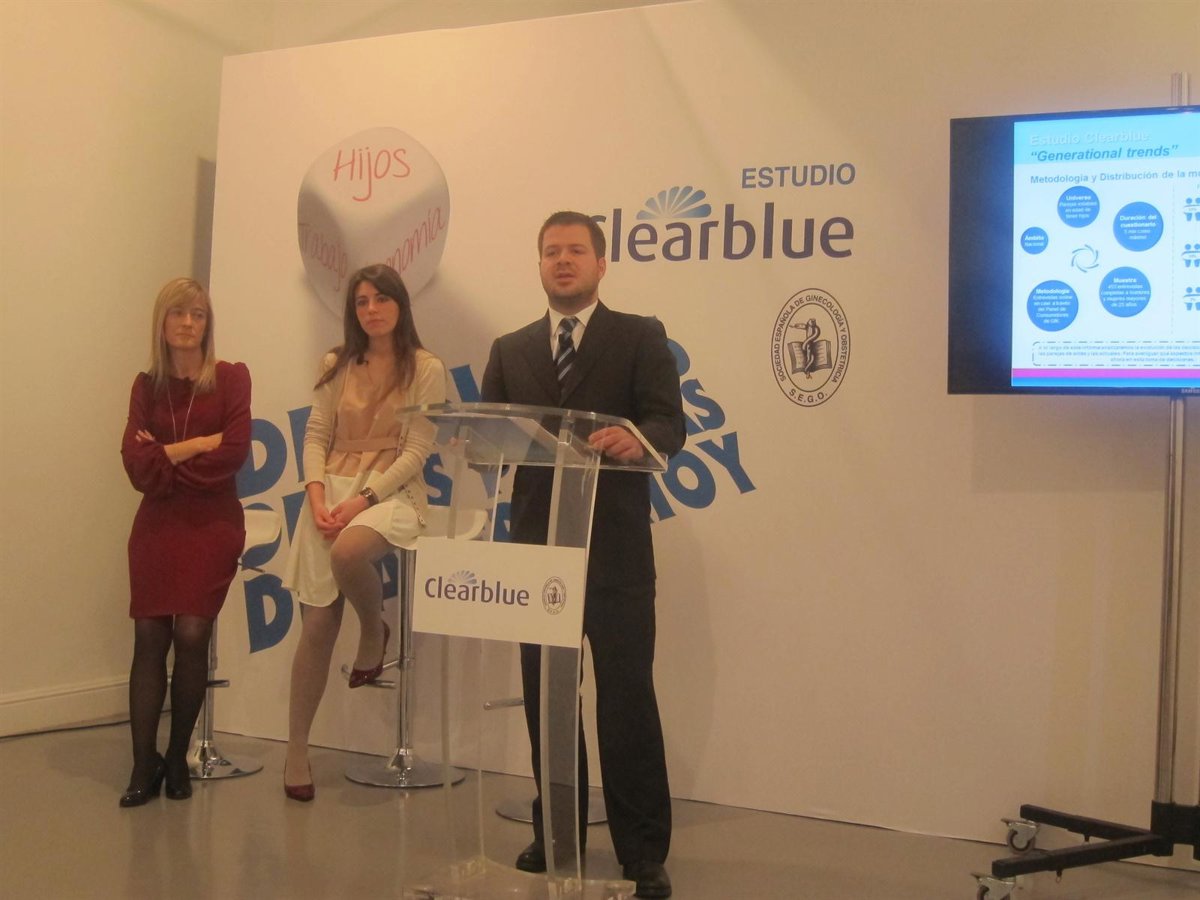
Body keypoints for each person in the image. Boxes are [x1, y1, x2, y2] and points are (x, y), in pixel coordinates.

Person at [481, 211, 685, 899]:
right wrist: (477, 446)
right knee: (547, 699)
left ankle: (643, 851)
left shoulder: (639, 336)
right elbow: (487, 434)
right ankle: (556, 833)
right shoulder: (509, 349)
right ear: (539, 265)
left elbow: (669, 421)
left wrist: (639, 439)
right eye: (551, 252)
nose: (562, 261)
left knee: (626, 699)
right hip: (536, 551)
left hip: (616, 552)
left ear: (601, 264)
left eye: (575, 250)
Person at [282, 263, 446, 801]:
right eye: (361, 301)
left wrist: (363, 499)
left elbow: (417, 451)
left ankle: (373, 631)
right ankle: (297, 752)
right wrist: (316, 495)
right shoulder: (337, 363)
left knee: (349, 553)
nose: (372, 309)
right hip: (329, 490)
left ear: (401, 304)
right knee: (316, 626)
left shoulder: (425, 367)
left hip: (391, 491)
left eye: (381, 299)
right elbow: (316, 433)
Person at [119, 277, 252, 807]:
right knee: (150, 635)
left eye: (198, 314)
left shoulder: (231, 378)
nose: (188, 323)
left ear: (207, 323)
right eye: (178, 313)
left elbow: (233, 455)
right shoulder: (145, 386)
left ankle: (177, 758)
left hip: (213, 522)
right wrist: (195, 445)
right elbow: (135, 466)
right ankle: (142, 764)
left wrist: (164, 457)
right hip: (157, 524)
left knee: (193, 633)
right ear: (162, 321)